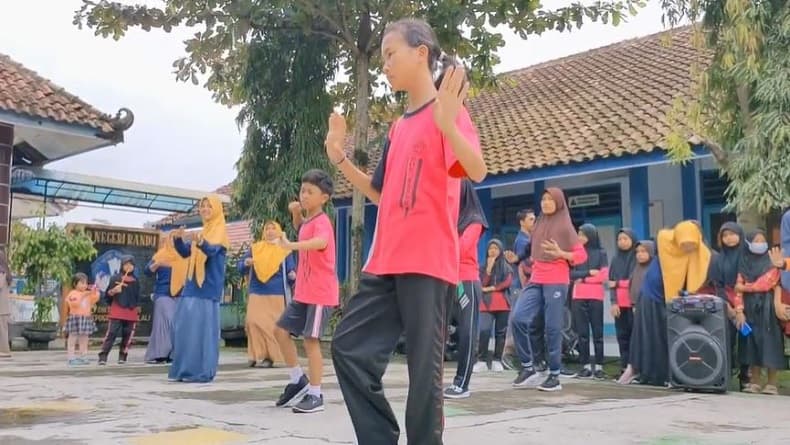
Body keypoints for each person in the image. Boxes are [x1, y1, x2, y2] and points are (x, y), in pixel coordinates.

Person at [327, 17, 486, 444]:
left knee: (424, 378)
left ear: (421, 52)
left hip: (428, 263)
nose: (384, 65)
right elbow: (381, 193)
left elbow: (477, 169)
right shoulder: (398, 127)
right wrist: (340, 157)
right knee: (348, 348)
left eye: (389, 54)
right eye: (381, 58)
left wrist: (450, 124)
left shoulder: (448, 111)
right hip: (386, 262)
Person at [272, 170, 338, 414]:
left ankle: (316, 393)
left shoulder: (323, 222)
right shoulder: (308, 220)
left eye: (310, 192)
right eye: (303, 191)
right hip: (303, 291)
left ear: (324, 198)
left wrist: (291, 246)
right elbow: (302, 229)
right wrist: (296, 213)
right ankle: (297, 379)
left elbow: (319, 242)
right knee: (280, 331)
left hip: (320, 293)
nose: (304, 195)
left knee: (311, 342)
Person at [511, 188, 587, 392]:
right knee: (518, 318)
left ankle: (554, 374)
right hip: (536, 278)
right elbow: (530, 249)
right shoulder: (539, 224)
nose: (545, 203)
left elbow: (581, 256)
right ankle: (528, 367)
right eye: (543, 199)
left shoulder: (565, 227)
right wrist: (517, 259)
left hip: (556, 279)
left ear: (559, 202)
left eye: (550, 199)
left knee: (552, 327)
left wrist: (561, 253)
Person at [618, 220, 711, 387]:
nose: (687, 247)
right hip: (649, 297)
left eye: (691, 244)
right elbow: (664, 235)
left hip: (669, 301)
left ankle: (666, 375)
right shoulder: (666, 242)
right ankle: (636, 370)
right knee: (643, 336)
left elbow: (697, 273)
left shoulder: (699, 254)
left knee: (663, 338)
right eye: (684, 242)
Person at [168, 195, 229, 383]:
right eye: (202, 206)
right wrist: (178, 240)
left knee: (201, 333)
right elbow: (186, 252)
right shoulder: (203, 232)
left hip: (207, 289)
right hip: (192, 286)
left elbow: (211, 251)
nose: (204, 209)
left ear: (217, 209)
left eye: (209, 206)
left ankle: (201, 372)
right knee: (184, 330)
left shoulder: (219, 233)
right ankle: (184, 370)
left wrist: (200, 241)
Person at [444, 179, 486, 399]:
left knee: (467, 332)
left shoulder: (474, 220)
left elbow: (460, 248)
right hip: (446, 279)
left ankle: (462, 383)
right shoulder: (450, 218)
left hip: (466, 281)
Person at [732, 230, 787, 395]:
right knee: (750, 343)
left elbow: (767, 283)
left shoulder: (772, 261)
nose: (760, 243)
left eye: (762, 240)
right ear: (748, 243)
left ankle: (772, 383)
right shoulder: (743, 262)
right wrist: (739, 311)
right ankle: (754, 381)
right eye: (756, 240)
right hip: (749, 308)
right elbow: (737, 289)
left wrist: (744, 287)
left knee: (770, 342)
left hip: (767, 307)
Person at [238, 221, 295, 368]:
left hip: (276, 292)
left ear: (279, 231)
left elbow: (291, 269)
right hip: (257, 290)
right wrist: (246, 263)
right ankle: (255, 355)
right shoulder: (255, 248)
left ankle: (269, 357)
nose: (270, 231)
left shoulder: (285, 249)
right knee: (252, 322)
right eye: (267, 229)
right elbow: (240, 266)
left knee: (270, 326)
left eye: (273, 228)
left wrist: (293, 275)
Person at [707, 222, 750, 389]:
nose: (729, 238)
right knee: (726, 339)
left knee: (747, 339)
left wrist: (741, 307)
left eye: (732, 234)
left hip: (748, 300)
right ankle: (724, 374)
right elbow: (717, 284)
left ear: (740, 235)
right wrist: (729, 308)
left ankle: (746, 376)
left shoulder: (747, 256)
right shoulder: (718, 258)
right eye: (725, 235)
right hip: (725, 302)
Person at [570, 223, 609, 379]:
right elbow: (570, 274)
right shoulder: (575, 253)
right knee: (582, 333)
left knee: (598, 333)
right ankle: (585, 366)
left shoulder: (601, 253)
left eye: (582, 235)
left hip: (595, 296)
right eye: (578, 235)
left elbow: (603, 275)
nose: (579, 238)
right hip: (578, 296)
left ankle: (599, 366)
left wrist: (583, 278)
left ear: (591, 236)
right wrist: (588, 274)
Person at [144, 232, 188, 364]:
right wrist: (157, 264)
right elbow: (147, 271)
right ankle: (160, 354)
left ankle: (173, 354)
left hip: (180, 294)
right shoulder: (160, 255)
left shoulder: (183, 255)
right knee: (166, 322)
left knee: (178, 324)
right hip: (163, 293)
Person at [616, 241, 655, 385]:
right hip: (635, 309)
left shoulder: (653, 269)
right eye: (638, 252)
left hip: (650, 310)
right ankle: (638, 372)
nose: (640, 255)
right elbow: (633, 288)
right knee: (637, 341)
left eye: (644, 251)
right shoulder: (637, 269)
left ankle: (650, 373)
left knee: (649, 341)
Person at [503, 209, 536, 369]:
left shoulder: (527, 238)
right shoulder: (523, 241)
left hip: (523, 286)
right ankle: (507, 354)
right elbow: (524, 265)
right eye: (530, 219)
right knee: (516, 320)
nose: (534, 222)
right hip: (521, 286)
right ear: (522, 222)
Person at [474, 239, 513, 374]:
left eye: (496, 248)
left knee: (500, 333)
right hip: (486, 304)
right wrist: (489, 269)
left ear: (500, 250)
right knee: (484, 330)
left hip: (503, 304)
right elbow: (481, 283)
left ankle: (497, 360)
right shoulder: (482, 267)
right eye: (490, 248)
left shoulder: (506, 267)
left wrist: (492, 288)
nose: (493, 251)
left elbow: (507, 283)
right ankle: (482, 361)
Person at [98, 255, 140, 365]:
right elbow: (107, 296)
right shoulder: (115, 278)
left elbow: (137, 297)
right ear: (122, 265)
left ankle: (123, 355)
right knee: (111, 333)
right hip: (117, 309)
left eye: (131, 264)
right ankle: (103, 356)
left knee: (128, 334)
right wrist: (113, 291)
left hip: (131, 311)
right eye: (126, 264)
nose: (129, 266)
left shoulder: (136, 281)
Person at [607, 228, 637, 374]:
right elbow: (610, 282)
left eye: (625, 239)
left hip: (633, 304)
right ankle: (624, 366)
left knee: (634, 336)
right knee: (622, 337)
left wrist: (618, 284)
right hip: (620, 305)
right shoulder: (615, 259)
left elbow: (634, 281)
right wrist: (613, 302)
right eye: (619, 239)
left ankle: (635, 366)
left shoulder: (637, 258)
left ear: (632, 240)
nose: (622, 242)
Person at [63, 273, 100, 365]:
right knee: (72, 339)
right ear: (75, 284)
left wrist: (95, 292)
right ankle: (71, 358)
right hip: (75, 318)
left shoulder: (87, 294)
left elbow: (95, 299)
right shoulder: (72, 293)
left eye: (86, 283)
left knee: (84, 339)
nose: (85, 285)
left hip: (86, 318)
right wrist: (84, 295)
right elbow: (74, 304)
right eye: (82, 283)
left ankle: (83, 356)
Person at [0, 250, 11, 359]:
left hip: (1, 307)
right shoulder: (5, 271)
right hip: (3, 307)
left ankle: (4, 351)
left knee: (2, 330)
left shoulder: (2, 272)